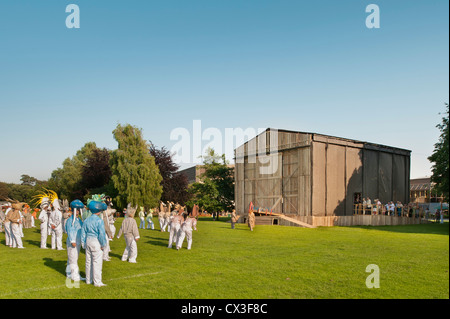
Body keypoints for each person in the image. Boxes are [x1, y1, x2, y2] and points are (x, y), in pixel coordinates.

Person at [81, 200, 108, 287]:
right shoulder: (99, 221)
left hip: (88, 241)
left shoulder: (86, 220)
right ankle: (97, 282)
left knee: (88, 261)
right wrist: (103, 245)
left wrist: (83, 243)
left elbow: (83, 232)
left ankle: (88, 280)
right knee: (97, 262)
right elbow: (102, 234)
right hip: (96, 242)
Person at [65, 199, 85, 282]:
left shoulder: (79, 220)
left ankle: (69, 274)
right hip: (73, 241)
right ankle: (75, 275)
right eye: (76, 210)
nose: (77, 212)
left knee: (73, 258)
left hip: (78, 240)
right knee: (73, 258)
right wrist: (72, 241)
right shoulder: (70, 220)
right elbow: (70, 230)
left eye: (78, 211)